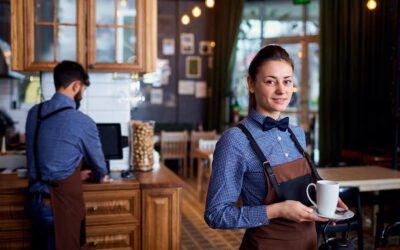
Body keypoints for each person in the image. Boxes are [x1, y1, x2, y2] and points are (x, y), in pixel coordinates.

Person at [204, 45, 347, 249]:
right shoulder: (235, 140)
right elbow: (216, 214)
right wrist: (277, 210)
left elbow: (302, 187)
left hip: (308, 244)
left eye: (287, 81)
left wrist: (326, 202)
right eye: (270, 81)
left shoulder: (296, 133)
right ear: (251, 84)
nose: (281, 90)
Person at [26, 61, 108, 250]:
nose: (82, 94)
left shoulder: (34, 113)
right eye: (83, 89)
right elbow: (100, 169)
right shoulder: (82, 121)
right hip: (59, 206)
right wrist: (100, 175)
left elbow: (47, 159)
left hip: (35, 203)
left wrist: (73, 175)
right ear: (76, 86)